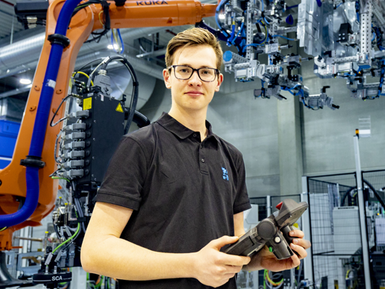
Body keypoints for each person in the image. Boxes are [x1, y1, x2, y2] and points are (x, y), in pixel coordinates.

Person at [81, 27, 311, 289]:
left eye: (205, 71)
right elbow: (94, 253)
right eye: (184, 70)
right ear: (168, 77)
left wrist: (261, 259)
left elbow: (232, 247)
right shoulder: (140, 146)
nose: (194, 80)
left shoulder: (231, 156)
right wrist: (192, 265)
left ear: (218, 81)